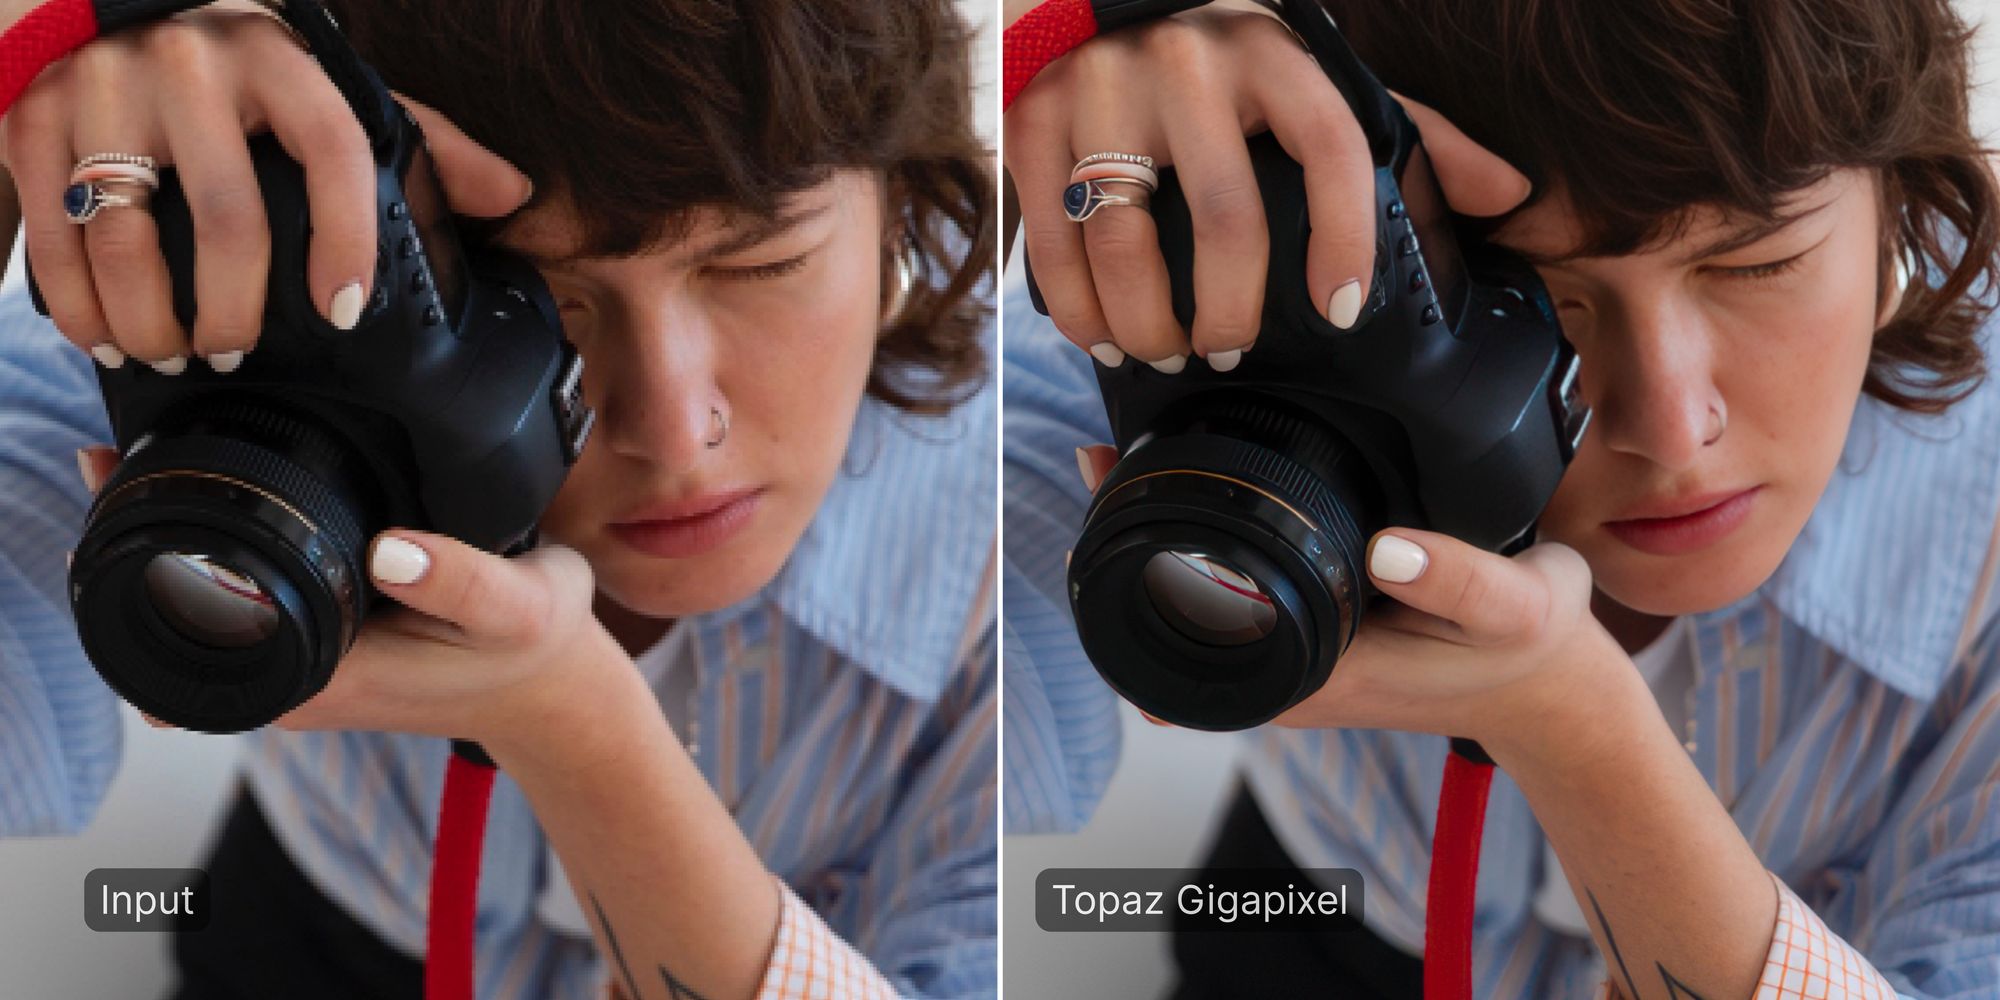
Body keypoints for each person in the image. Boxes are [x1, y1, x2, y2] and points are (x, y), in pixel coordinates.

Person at [1002, 0, 2000, 998]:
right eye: (1540, 301)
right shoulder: (1281, 272)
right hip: (1327, 904)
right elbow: (976, 721)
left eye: (1755, 263)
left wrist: (1572, 728)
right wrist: (1040, 60)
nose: (1666, 423)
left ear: (1901, 222)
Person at [0, 1, 996, 998]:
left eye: (760, 263)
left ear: (902, 208)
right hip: (327, 921)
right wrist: (32, 61)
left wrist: (573, 726)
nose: (672, 425)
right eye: (542, 303)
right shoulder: (234, 304)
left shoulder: (1008, 511)